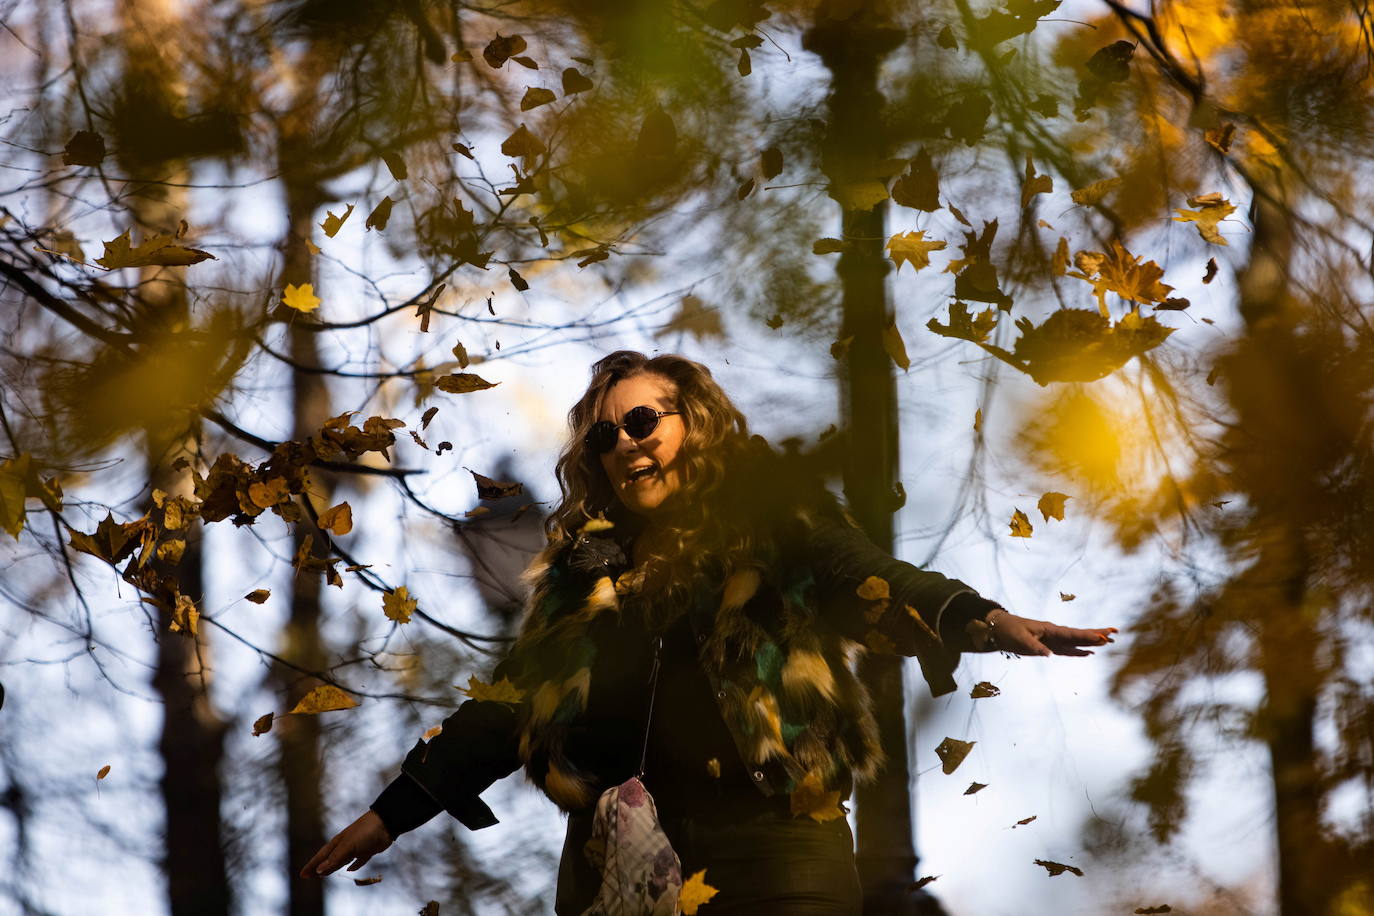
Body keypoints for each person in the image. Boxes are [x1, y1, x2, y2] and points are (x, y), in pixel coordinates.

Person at [302, 350, 1115, 914]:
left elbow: (863, 577)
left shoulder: (772, 520)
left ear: (693, 422)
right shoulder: (580, 575)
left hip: (777, 849)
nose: (625, 444)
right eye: (604, 436)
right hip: (616, 869)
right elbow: (508, 706)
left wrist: (976, 618)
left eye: (643, 420)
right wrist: (396, 810)